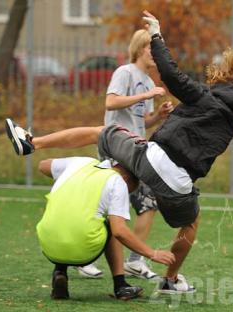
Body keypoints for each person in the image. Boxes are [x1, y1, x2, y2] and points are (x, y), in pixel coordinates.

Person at [5, 10, 233, 294]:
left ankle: (32, 143)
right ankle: (168, 279)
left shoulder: (207, 98)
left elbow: (173, 75)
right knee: (190, 223)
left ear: (216, 84)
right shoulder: (232, 115)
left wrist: (157, 34)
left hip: (150, 158)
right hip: (178, 182)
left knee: (100, 134)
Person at [78, 29, 173, 281]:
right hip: (116, 149)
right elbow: (111, 103)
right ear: (141, 48)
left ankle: (134, 261)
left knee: (149, 203)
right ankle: (83, 258)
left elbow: (142, 121)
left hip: (136, 150)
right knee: (105, 208)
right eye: (152, 49)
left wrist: (158, 116)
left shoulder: (150, 82)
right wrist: (145, 95)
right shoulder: (125, 72)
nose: (157, 54)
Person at [35, 156, 175, 300]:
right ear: (126, 178)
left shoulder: (81, 162)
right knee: (112, 223)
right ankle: (120, 286)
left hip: (47, 243)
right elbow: (119, 232)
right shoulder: (118, 181)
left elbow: (43, 165)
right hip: (81, 249)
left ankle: (60, 271)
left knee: (66, 219)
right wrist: (152, 253)